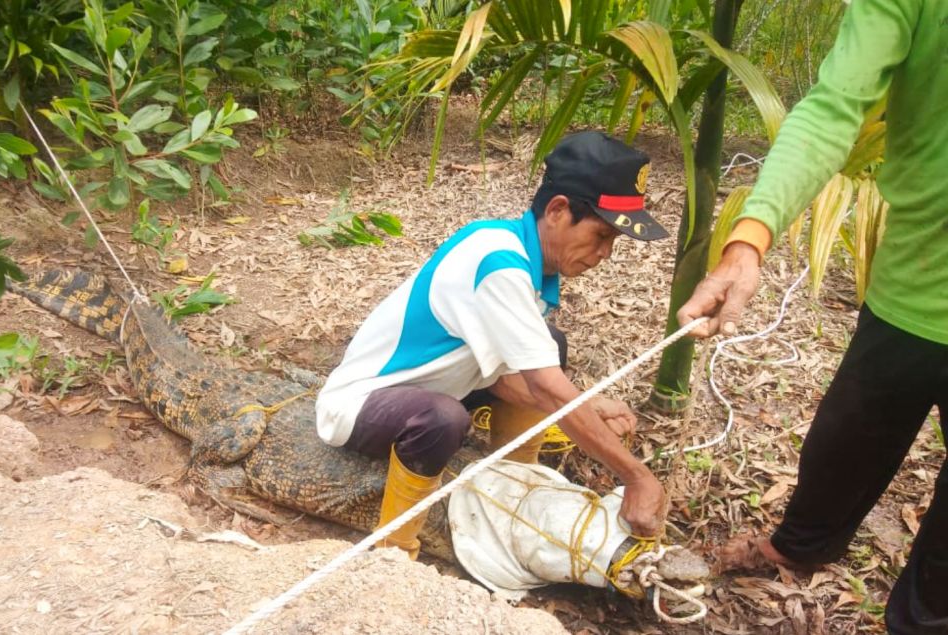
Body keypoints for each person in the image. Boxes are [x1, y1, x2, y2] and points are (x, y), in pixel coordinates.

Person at [677, 1, 947, 633]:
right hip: (913, 286)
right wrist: (751, 236)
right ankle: (798, 547)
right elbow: (834, 107)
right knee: (844, 444)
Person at [316, 131, 670, 559]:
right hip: (362, 404)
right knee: (443, 418)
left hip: (437, 386)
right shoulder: (499, 264)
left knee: (549, 345)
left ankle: (517, 478)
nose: (605, 254)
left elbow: (502, 375)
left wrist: (591, 407)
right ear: (559, 211)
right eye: (601, 236)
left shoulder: (525, 257)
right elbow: (542, 386)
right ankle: (394, 551)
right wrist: (636, 477)